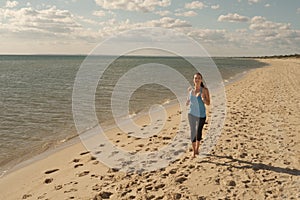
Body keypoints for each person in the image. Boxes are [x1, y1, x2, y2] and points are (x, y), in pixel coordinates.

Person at [186, 72, 210, 158]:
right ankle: (194, 151)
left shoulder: (204, 90)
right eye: (195, 78)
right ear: (193, 80)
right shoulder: (190, 90)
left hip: (201, 115)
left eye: (199, 78)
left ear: (201, 80)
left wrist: (203, 99)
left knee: (198, 132)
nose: (197, 79)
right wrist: (188, 102)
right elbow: (188, 101)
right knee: (192, 132)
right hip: (191, 113)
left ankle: (197, 148)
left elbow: (208, 103)